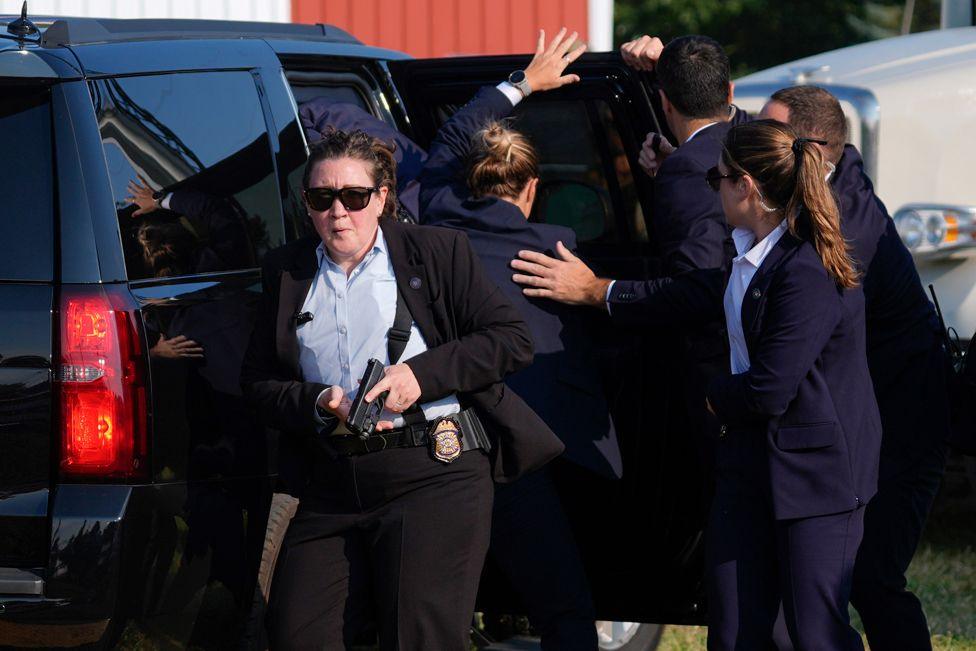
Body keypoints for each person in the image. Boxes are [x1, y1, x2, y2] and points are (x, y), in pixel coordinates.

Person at [240, 129, 563, 649]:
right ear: (307, 204)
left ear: (382, 198)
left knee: (420, 637)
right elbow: (257, 383)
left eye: (354, 197)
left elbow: (510, 341)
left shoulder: (434, 252)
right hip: (333, 478)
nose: (338, 212)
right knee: (299, 633)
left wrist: (421, 375)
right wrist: (319, 402)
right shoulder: (288, 270)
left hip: (432, 471)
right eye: (323, 199)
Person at [418, 29, 619, 650]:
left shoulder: (436, 229)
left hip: (441, 447)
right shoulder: (557, 256)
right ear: (531, 190)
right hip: (522, 454)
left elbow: (451, 139)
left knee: (437, 606)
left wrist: (521, 83)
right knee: (563, 607)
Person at [761, 86, 950, 651]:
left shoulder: (847, 222)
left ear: (812, 150)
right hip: (866, 421)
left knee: (871, 579)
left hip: (904, 423)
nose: (758, 147)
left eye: (771, 138)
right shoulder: (824, 177)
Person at [510, 34, 744, 461]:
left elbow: (700, 290)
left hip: (718, 377)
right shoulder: (754, 143)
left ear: (664, 103)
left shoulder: (687, 170)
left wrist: (593, 290)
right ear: (729, 93)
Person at [704, 119, 881, 650]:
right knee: (735, 629)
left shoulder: (805, 267)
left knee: (815, 633)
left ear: (746, 187)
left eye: (718, 177)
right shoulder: (745, 252)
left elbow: (770, 388)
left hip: (816, 476)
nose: (713, 187)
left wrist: (714, 397)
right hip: (750, 462)